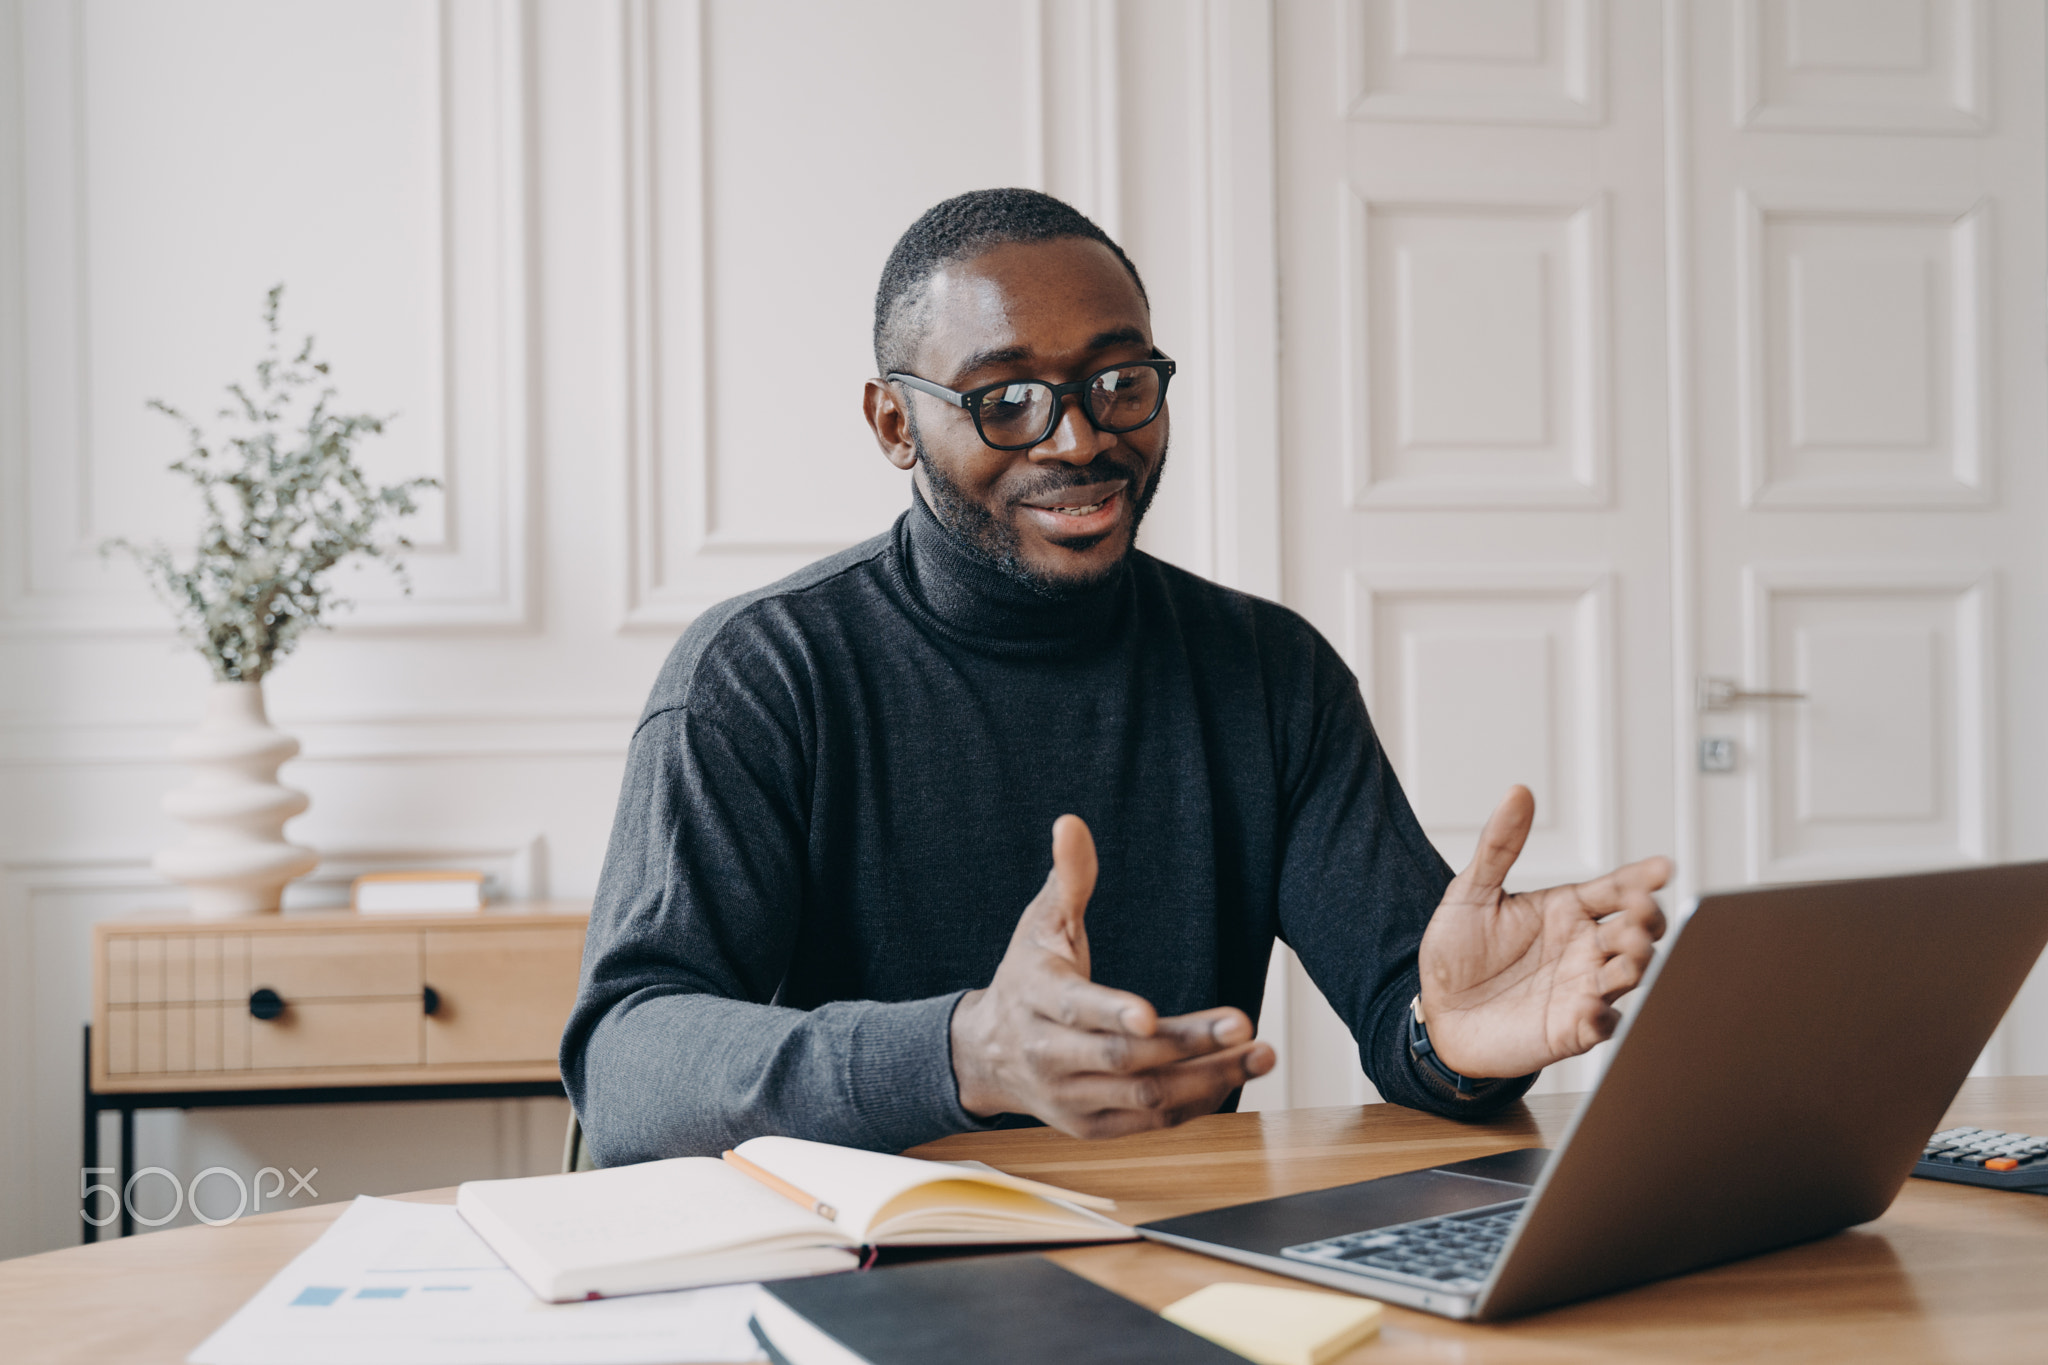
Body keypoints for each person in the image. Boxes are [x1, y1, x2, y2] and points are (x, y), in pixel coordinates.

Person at [562, 189, 1670, 1165]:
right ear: (894, 422)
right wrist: (964, 1055)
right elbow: (625, 1064)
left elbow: (1418, 1008)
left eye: (1117, 379)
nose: (1080, 437)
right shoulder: (759, 673)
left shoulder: (1267, 672)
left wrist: (1453, 1040)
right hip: (857, 1280)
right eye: (1006, 399)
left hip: (1180, 1260)